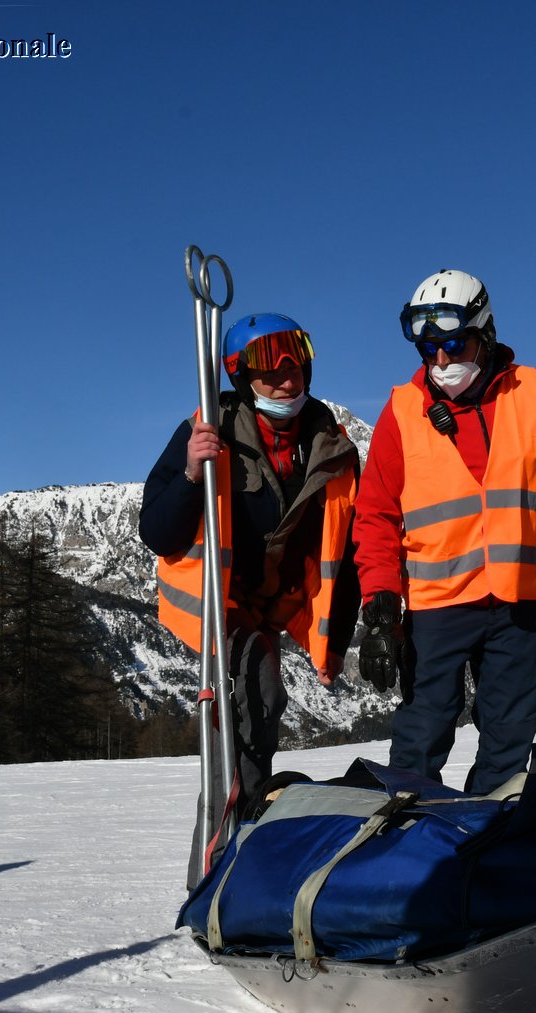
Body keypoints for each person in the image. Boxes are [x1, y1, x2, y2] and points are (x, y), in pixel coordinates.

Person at [352, 269, 536, 796]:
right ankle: (410, 848)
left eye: (453, 343)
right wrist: (380, 605)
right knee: (421, 738)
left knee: (510, 744)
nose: (441, 360)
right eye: (428, 348)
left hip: (517, 606)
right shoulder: (403, 410)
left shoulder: (532, 393)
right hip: (436, 608)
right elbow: (375, 514)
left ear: (484, 334)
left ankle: (488, 841)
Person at [141, 312, 361, 851]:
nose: (287, 377)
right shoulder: (206, 429)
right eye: (270, 367)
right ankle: (231, 821)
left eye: (296, 360)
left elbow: (345, 549)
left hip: (276, 602)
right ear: (243, 377)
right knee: (256, 688)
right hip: (218, 602)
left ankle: (250, 814)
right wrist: (193, 474)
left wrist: (332, 643)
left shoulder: (330, 445)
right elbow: (157, 532)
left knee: (261, 705)